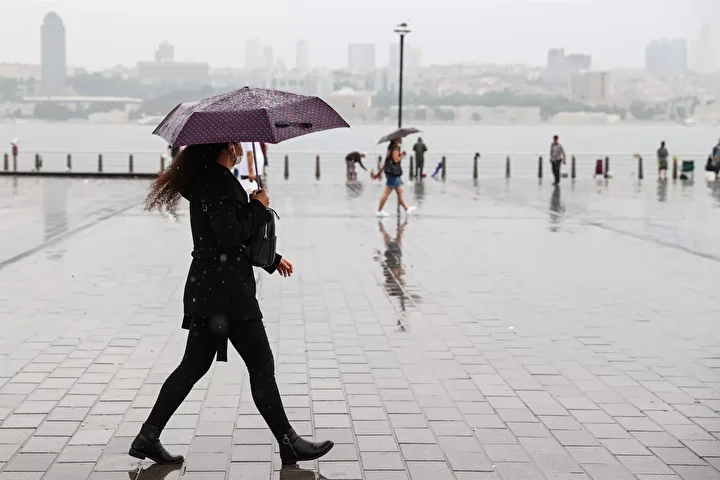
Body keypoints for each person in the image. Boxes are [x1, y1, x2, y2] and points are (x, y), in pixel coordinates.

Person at [135, 142, 333, 466]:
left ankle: (149, 434)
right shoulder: (219, 183)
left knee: (193, 366)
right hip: (228, 294)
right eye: (237, 143)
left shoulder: (208, 180)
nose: (240, 147)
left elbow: (226, 238)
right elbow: (229, 237)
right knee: (261, 364)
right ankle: (289, 442)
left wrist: (271, 259)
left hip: (210, 288)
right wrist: (258, 207)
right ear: (229, 147)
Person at [373, 139, 416, 217]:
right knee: (386, 193)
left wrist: (379, 173)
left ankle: (406, 209)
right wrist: (402, 155)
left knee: (399, 192)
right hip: (393, 174)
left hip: (390, 173)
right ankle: (379, 211)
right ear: (396, 139)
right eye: (400, 138)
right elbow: (396, 160)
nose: (401, 139)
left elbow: (386, 162)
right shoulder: (395, 148)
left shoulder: (390, 148)